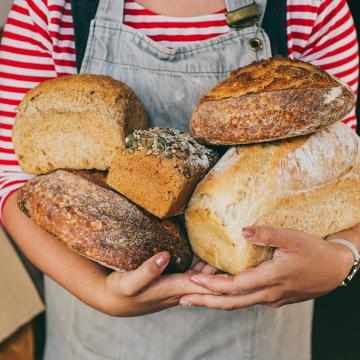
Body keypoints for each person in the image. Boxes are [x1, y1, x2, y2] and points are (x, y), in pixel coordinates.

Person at [0, 0, 358, 359]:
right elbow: (12, 183)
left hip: (256, 339)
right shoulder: (50, 10)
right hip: (95, 335)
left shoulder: (308, 8)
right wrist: (100, 292)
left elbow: (348, 169)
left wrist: (342, 259)